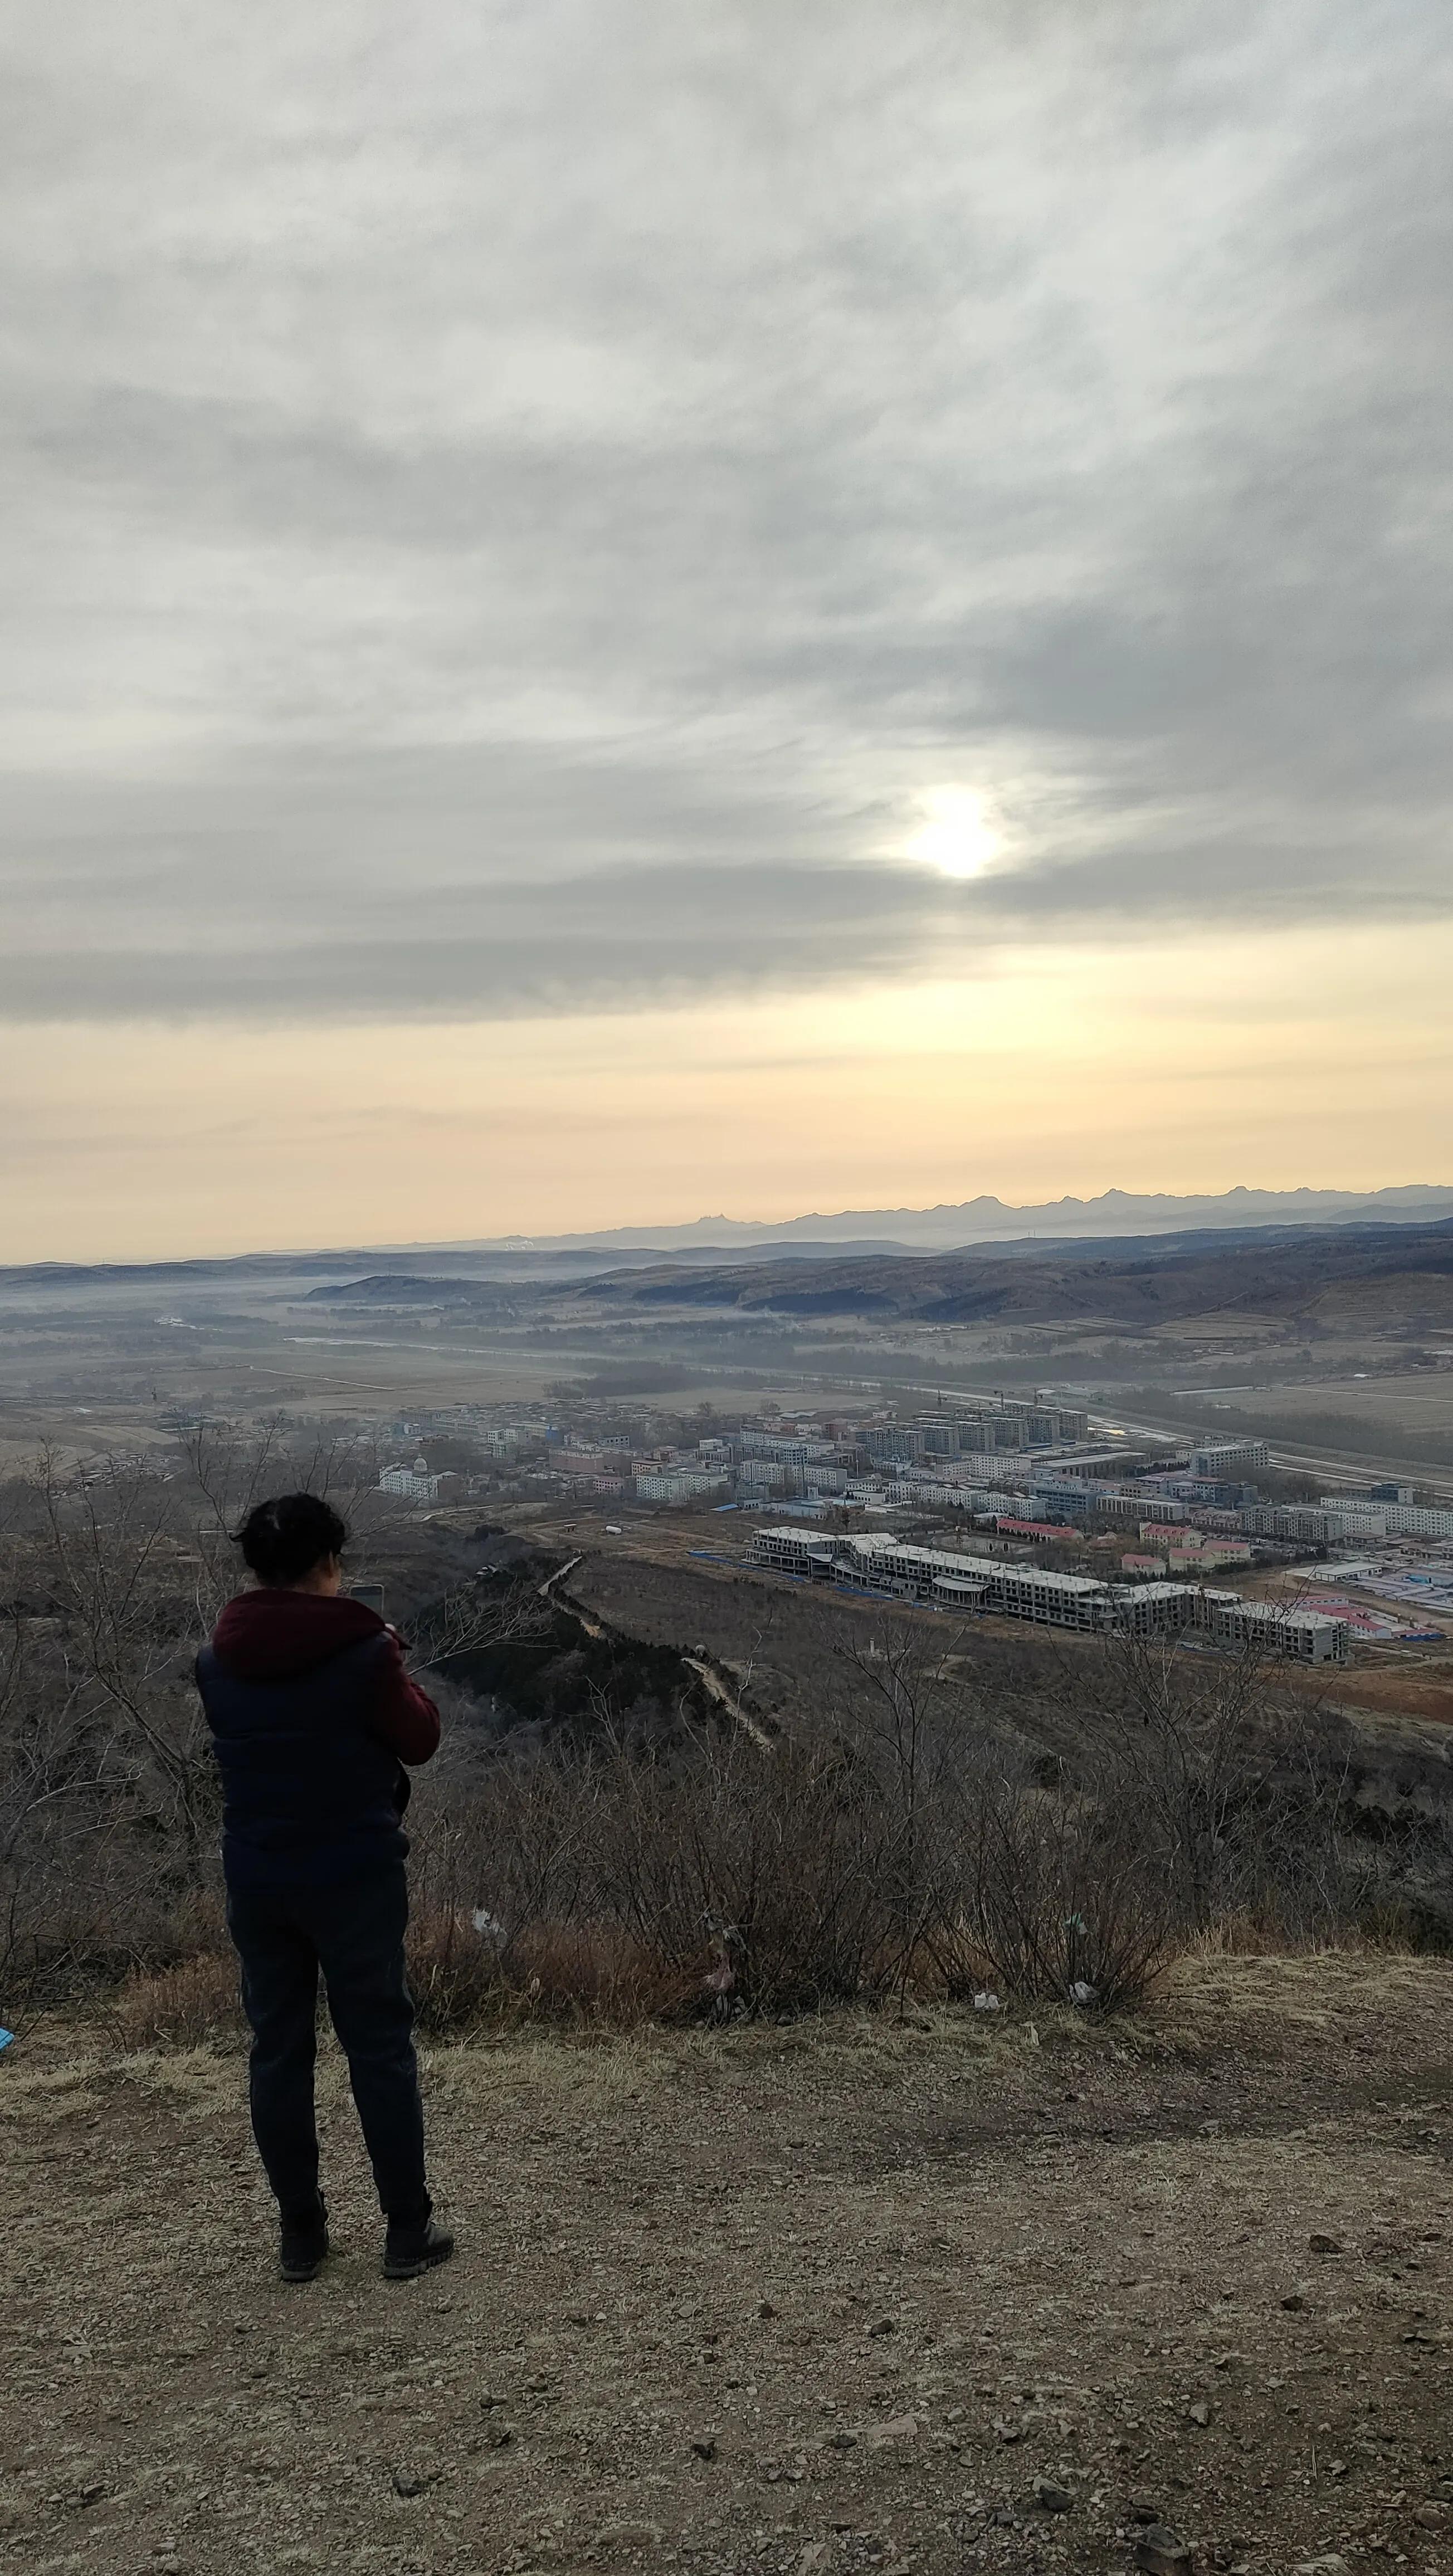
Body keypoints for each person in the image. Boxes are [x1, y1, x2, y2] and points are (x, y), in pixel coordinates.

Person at [196, 1491, 453, 2284]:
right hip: (354, 1876)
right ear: (330, 1563)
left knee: (278, 2051)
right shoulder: (366, 1652)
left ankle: (301, 2235)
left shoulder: (215, 1662)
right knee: (378, 2046)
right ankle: (406, 2230)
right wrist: (390, 1654)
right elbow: (420, 1739)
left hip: (259, 1878)